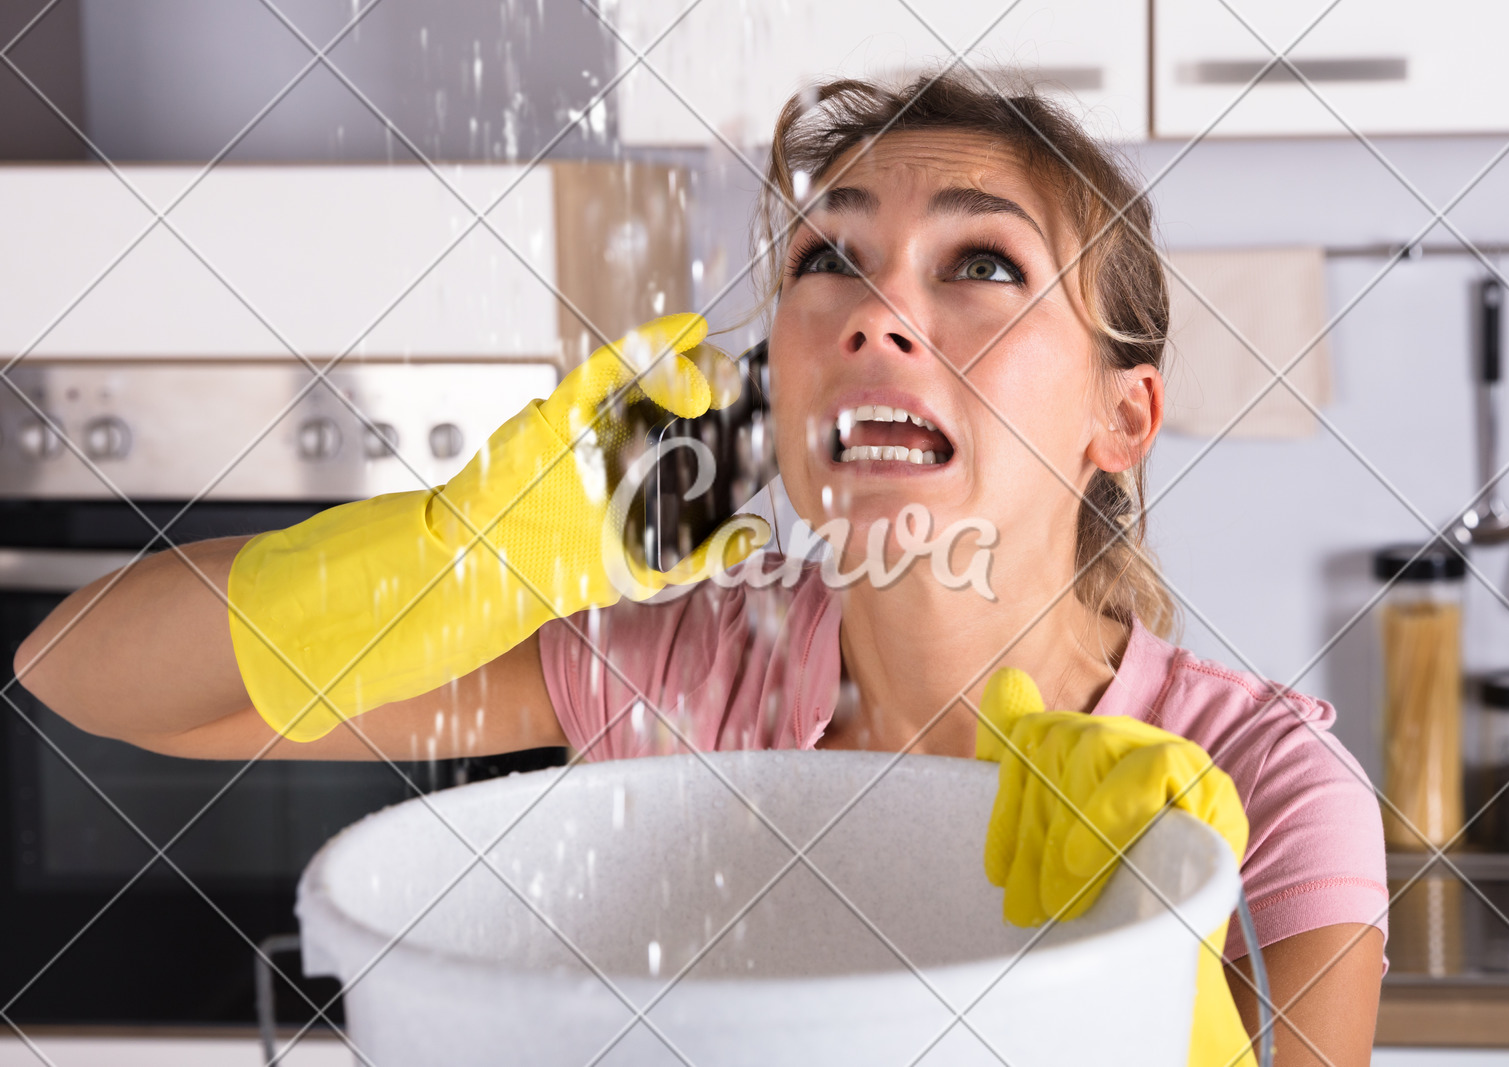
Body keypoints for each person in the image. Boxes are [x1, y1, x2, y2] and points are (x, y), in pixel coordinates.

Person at [16, 72, 1386, 1066]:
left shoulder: (1260, 789)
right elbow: (86, 679)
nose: (879, 311)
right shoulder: (683, 672)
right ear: (776, 376)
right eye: (828, 261)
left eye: (980, 261)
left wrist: (1162, 925)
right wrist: (459, 555)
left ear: (1122, 421)